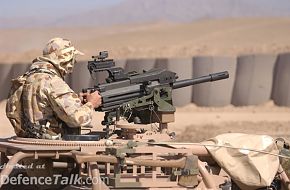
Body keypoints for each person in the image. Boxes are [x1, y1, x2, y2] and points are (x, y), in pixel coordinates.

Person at [14, 37, 101, 139]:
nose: (74, 62)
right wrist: (91, 104)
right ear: (65, 58)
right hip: (51, 142)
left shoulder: (30, 76)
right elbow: (77, 119)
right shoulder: (53, 82)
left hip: (31, 138)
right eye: (72, 58)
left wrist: (75, 101)